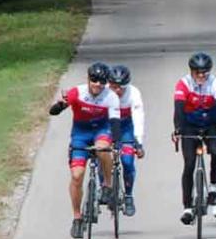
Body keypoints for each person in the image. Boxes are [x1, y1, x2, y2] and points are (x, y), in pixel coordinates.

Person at [49, 62, 121, 239]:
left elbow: (115, 123)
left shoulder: (111, 97)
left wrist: (116, 143)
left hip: (101, 131)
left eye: (102, 81)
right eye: (94, 80)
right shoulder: (77, 92)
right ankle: (77, 218)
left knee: (103, 149)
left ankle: (107, 186)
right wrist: (59, 106)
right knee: (76, 176)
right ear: (88, 79)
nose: (97, 84)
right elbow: (57, 109)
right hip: (80, 134)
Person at [172, 52, 216, 225]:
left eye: (205, 72)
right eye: (198, 72)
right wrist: (178, 130)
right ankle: (187, 207)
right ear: (191, 71)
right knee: (189, 164)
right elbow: (179, 109)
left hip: (210, 123)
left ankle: (214, 185)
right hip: (190, 124)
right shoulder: (183, 83)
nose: (201, 75)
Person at [108, 65, 145, 217]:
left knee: (128, 161)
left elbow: (138, 117)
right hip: (107, 126)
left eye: (121, 88)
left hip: (126, 128)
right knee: (101, 157)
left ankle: (128, 196)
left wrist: (138, 142)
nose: (117, 91)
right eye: (113, 87)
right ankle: (103, 186)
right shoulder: (102, 92)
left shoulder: (133, 93)